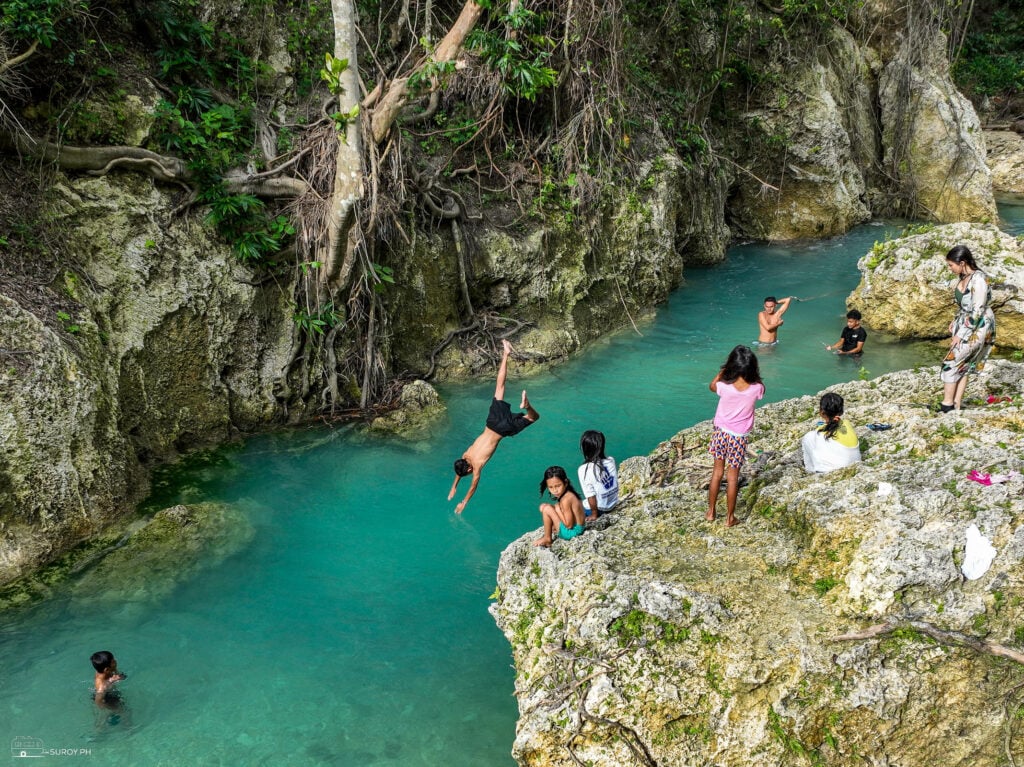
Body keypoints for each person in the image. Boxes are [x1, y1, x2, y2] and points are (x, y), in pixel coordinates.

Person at [449, 339, 539, 514]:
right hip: (491, 422)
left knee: (534, 418)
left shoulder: (476, 466)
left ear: (469, 468)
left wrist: (464, 502)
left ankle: (527, 407)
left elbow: (473, 488)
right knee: (500, 386)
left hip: (503, 428)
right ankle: (505, 353)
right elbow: (460, 470)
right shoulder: (466, 454)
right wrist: (454, 486)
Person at [707, 345, 764, 527]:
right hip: (739, 437)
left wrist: (722, 372)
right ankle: (730, 518)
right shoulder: (757, 388)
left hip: (721, 432)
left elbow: (712, 386)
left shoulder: (724, 386)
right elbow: (760, 389)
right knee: (732, 478)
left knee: (716, 473)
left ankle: (711, 512)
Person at [940, 245, 996, 413]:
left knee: (950, 361)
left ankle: (947, 405)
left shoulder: (979, 279)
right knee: (963, 364)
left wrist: (961, 334)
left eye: (951, 265)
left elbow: (978, 310)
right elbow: (966, 305)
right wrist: (955, 321)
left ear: (962, 262)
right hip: (967, 323)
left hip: (979, 326)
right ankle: (956, 404)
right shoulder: (963, 277)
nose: (949, 268)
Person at [801, 392, 861, 472]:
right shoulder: (847, 423)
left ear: (822, 413)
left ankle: (810, 470)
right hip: (855, 465)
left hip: (831, 471)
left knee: (808, 438)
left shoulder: (819, 433)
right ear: (841, 411)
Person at [533, 466, 586, 547]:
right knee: (543, 506)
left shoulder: (566, 499)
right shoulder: (568, 493)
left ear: (566, 482)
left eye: (558, 486)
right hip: (576, 528)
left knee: (547, 509)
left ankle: (547, 538)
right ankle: (553, 527)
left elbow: (569, 525)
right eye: (550, 487)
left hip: (573, 532)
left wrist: (557, 509)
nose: (555, 490)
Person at [577, 430, 619, 519]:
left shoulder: (584, 469)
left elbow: (590, 495)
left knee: (566, 507)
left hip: (600, 509)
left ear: (585, 448)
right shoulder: (611, 460)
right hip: (613, 504)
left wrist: (594, 514)